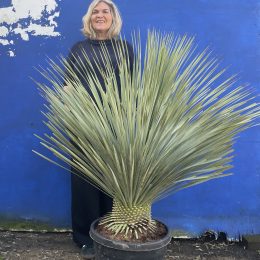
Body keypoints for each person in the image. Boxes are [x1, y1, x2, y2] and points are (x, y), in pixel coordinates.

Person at [64, 0, 134, 258]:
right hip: (83, 126)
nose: (100, 15)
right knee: (84, 182)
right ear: (89, 17)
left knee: (112, 180)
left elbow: (132, 89)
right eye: (96, 11)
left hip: (116, 126)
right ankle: (86, 239)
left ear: (113, 17)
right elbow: (67, 87)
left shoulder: (124, 49)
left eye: (106, 11)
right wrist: (72, 115)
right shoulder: (78, 49)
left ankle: (109, 233)